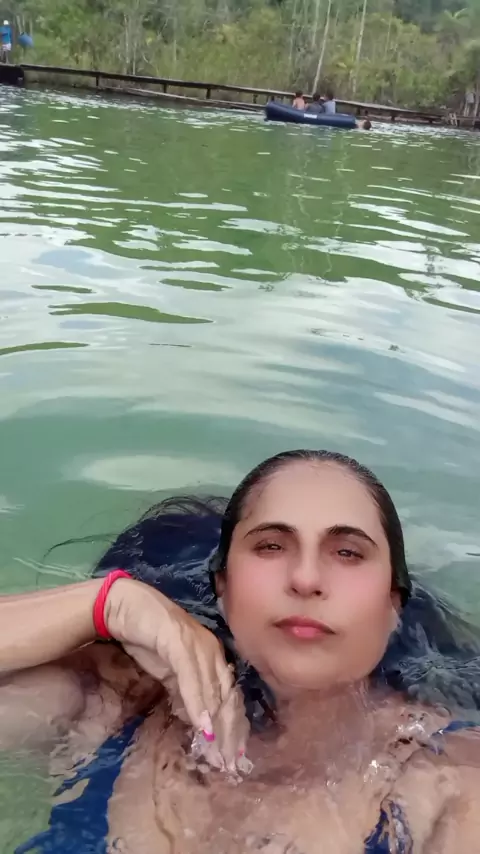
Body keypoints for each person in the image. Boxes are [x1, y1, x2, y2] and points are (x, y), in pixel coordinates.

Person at [2, 449, 480, 854]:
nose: (306, 578)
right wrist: (109, 604)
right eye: (271, 546)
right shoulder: (115, 705)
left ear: (393, 602)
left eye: (348, 552)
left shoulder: (451, 781)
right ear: (223, 586)